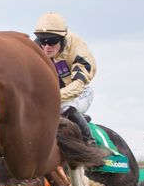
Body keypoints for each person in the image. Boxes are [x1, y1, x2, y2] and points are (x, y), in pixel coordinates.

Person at [33, 12, 98, 145]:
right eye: (42, 41)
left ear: (63, 39)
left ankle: (89, 142)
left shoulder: (78, 49)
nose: (46, 47)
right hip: (50, 93)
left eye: (51, 42)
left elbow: (79, 84)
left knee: (64, 105)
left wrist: (53, 96)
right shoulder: (35, 48)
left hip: (79, 93)